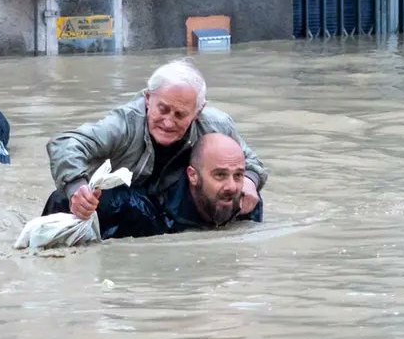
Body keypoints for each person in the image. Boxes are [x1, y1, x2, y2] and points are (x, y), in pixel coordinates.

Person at [43, 57, 266, 221]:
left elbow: (252, 163)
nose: (168, 122)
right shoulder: (124, 123)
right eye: (163, 109)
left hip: (173, 203)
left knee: (244, 198)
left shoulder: (216, 124)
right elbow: (66, 144)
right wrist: (77, 188)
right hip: (127, 201)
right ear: (148, 99)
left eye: (180, 115)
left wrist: (249, 181)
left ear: (198, 112)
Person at [89, 133, 263, 239]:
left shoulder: (248, 203)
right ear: (193, 176)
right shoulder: (139, 211)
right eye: (220, 175)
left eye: (238, 175)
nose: (232, 187)